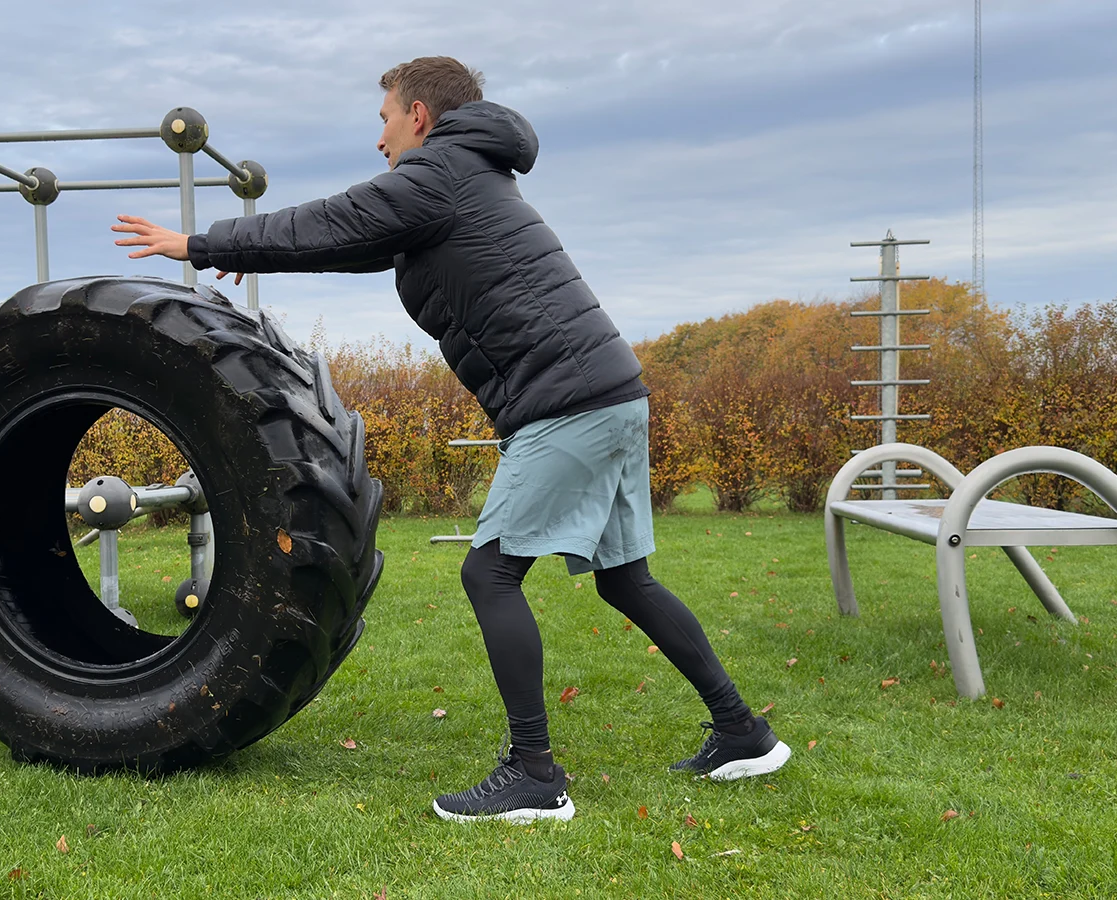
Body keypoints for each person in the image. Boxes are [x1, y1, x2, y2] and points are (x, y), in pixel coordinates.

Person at [112, 56, 789, 824]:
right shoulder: (461, 177)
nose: (380, 141)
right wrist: (240, 251)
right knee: (624, 577)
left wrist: (200, 244)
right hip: (606, 393)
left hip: (565, 401)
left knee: (489, 575)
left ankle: (534, 773)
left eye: (385, 120)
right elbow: (352, 240)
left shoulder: (438, 174)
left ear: (421, 117)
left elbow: (337, 218)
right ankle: (743, 732)